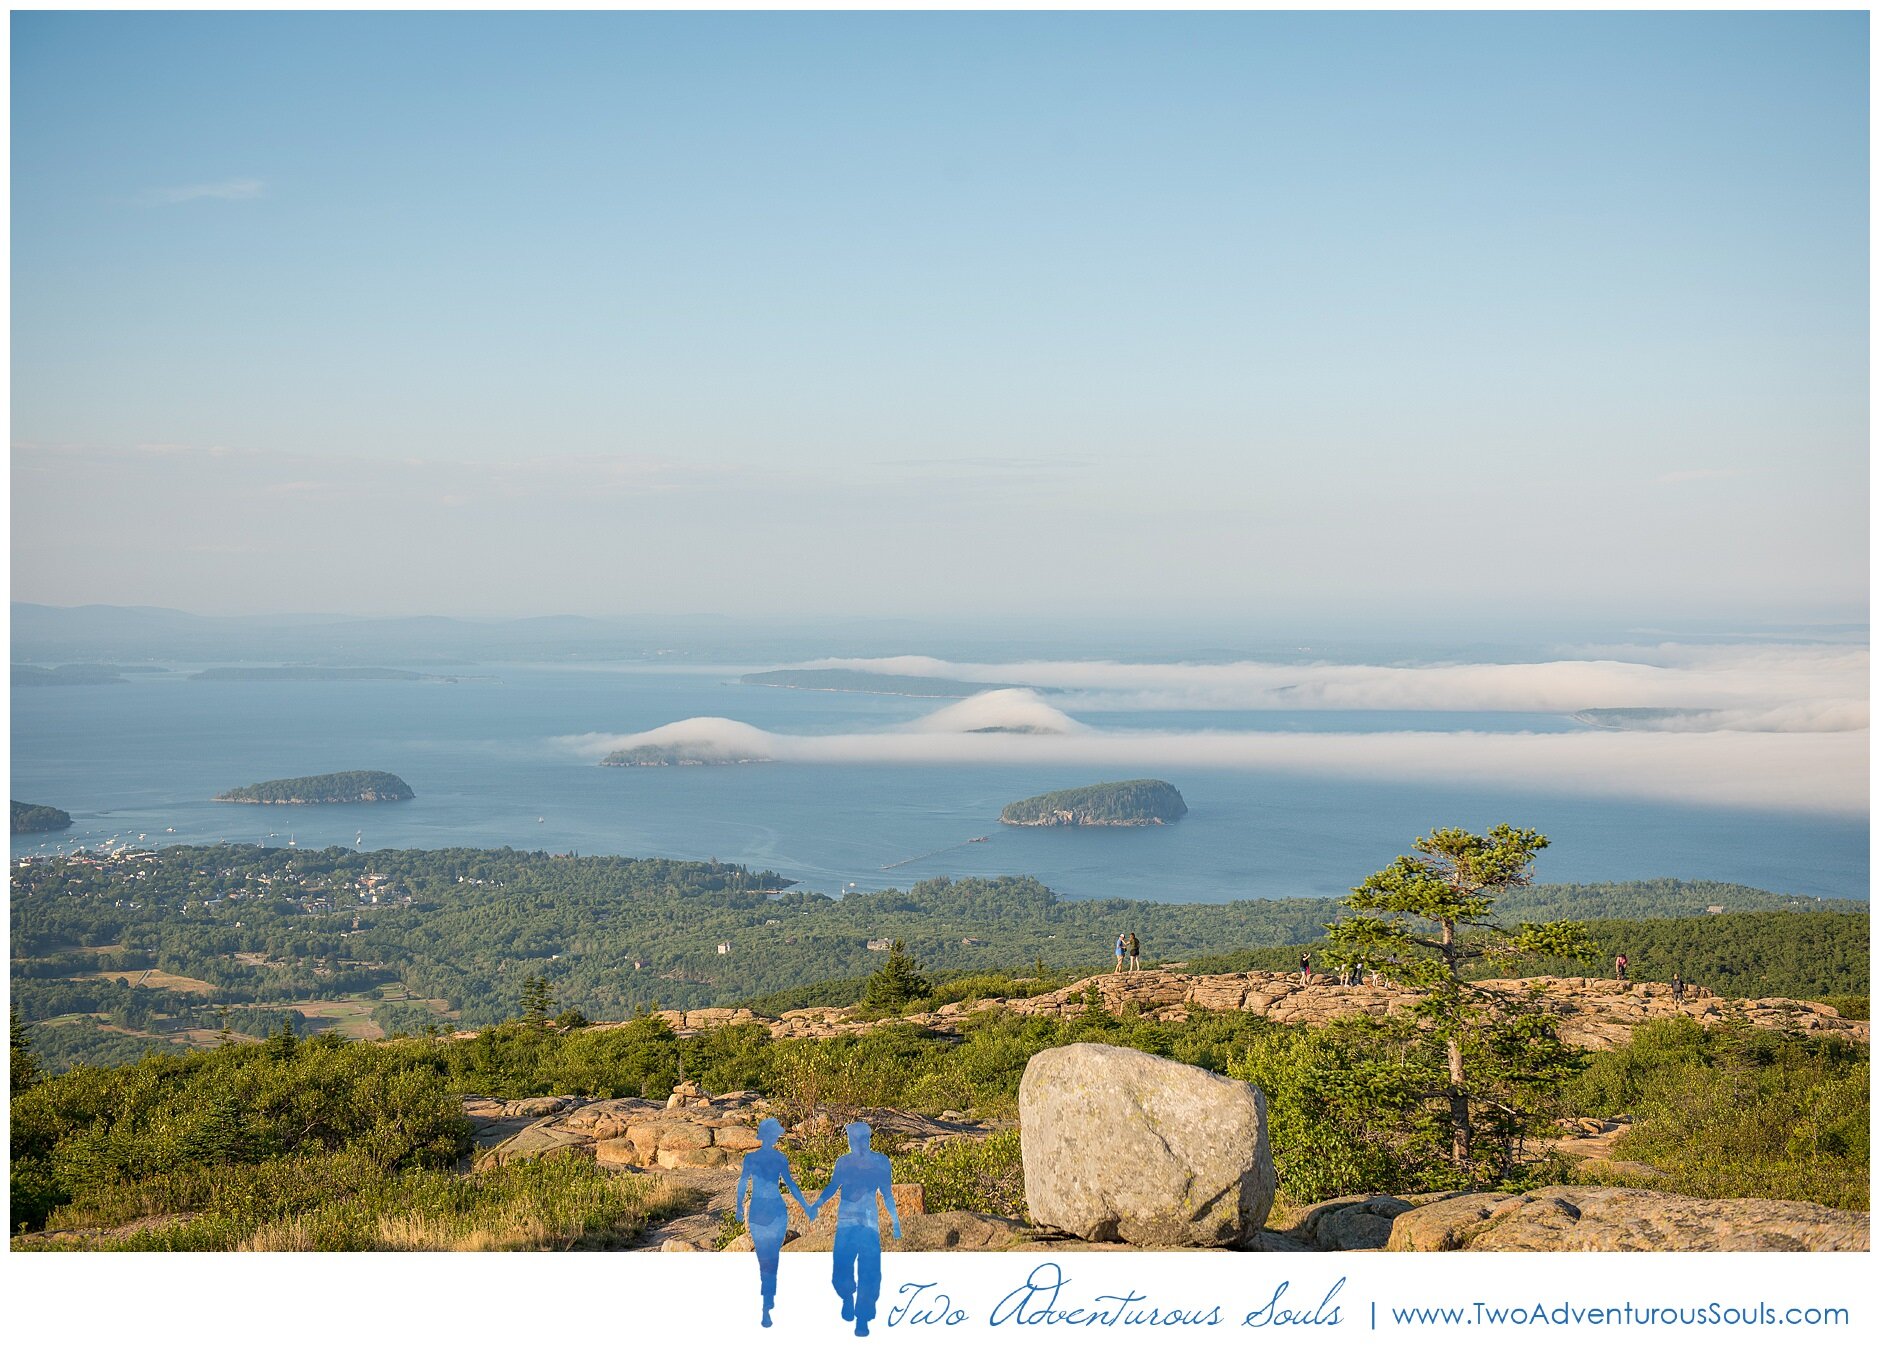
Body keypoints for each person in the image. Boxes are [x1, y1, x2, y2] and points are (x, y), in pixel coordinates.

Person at [808, 1121, 901, 1337]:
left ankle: (862, 1318)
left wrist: (896, 1221)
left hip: (868, 1223)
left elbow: (887, 1194)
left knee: (869, 1272)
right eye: (852, 1140)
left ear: (867, 1139)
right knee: (841, 1269)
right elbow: (833, 1186)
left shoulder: (880, 1163)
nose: (855, 1144)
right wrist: (817, 1204)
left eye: (859, 1139)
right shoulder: (844, 1163)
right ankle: (847, 1297)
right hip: (847, 1221)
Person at [735, 1117, 813, 1328]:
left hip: (762, 1208)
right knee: (772, 1258)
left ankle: (766, 1305)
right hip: (773, 1208)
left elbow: (743, 1184)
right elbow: (790, 1184)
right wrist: (806, 1206)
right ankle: (768, 1304)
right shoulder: (778, 1158)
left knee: (765, 1258)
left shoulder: (752, 1158)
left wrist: (738, 1208)